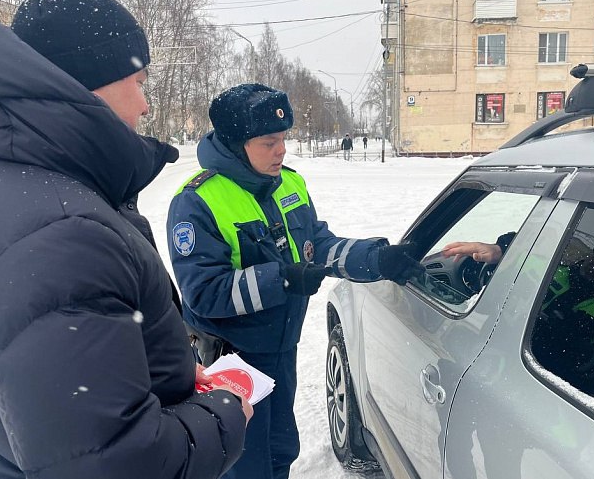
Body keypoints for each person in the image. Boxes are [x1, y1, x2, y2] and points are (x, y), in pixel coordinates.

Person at [0, 0, 250, 479]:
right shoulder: (60, 233)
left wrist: (160, 373)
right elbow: (112, 465)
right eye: (139, 82)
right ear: (90, 83)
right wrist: (225, 409)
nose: (146, 105)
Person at [167, 83, 424, 479]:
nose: (281, 150)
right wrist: (282, 280)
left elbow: (316, 246)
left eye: (283, 139)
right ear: (238, 145)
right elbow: (203, 293)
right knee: (242, 465)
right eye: (269, 142)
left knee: (281, 450)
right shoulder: (197, 202)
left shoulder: (290, 183)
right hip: (232, 361)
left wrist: (377, 258)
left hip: (281, 349)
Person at [443, 233, 594, 395]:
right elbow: (524, 248)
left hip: (535, 394)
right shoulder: (550, 271)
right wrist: (501, 250)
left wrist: (574, 348)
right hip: (481, 363)